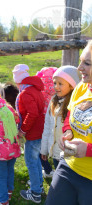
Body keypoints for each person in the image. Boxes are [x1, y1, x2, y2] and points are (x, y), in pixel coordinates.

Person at [45, 40, 92, 205]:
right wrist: (67, 132)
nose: (79, 69)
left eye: (87, 63)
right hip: (69, 166)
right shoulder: (81, 88)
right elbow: (69, 117)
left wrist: (87, 149)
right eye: (80, 61)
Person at [12, 64, 45, 204]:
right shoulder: (34, 89)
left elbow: (32, 113)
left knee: (31, 162)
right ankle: (39, 185)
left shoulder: (25, 93)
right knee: (35, 159)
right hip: (39, 130)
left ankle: (35, 193)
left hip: (33, 133)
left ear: (18, 80)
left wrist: (23, 130)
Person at [40, 65, 80, 172]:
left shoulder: (75, 104)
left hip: (69, 155)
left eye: (60, 84)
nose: (56, 87)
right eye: (54, 83)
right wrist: (44, 149)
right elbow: (47, 126)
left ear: (72, 86)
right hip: (55, 152)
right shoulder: (54, 101)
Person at [36, 67, 58, 178]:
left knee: (41, 147)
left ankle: (47, 169)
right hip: (55, 122)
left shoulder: (40, 90)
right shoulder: (58, 91)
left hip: (42, 122)